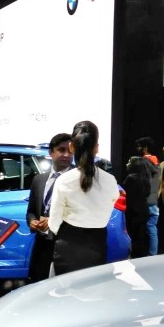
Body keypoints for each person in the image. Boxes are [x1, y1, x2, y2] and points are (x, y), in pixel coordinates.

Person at [48, 121, 119, 275]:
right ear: (97, 147)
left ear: (72, 147)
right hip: (97, 246)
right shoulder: (110, 181)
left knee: (65, 289)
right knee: (93, 287)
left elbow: (53, 223)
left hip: (67, 247)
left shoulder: (64, 180)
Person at [26, 133, 72, 283]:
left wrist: (53, 220)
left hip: (67, 245)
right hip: (42, 244)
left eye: (70, 151)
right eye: (61, 150)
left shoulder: (78, 180)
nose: (67, 155)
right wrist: (32, 221)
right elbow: (31, 211)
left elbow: (80, 212)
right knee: (39, 285)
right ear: (51, 152)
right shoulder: (39, 180)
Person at [122, 156, 152, 258]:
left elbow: (129, 197)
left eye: (129, 162)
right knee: (141, 237)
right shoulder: (145, 178)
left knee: (134, 237)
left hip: (133, 212)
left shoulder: (131, 178)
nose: (127, 164)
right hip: (143, 210)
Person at [135, 137, 160, 255]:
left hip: (144, 201)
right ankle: (153, 254)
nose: (137, 149)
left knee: (142, 229)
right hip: (154, 200)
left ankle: (144, 254)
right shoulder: (156, 162)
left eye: (139, 146)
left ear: (145, 148)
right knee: (152, 228)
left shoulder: (143, 162)